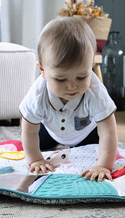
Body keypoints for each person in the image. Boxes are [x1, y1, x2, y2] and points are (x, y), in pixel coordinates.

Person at [19, 17, 118, 181]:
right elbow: (29, 129)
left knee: (97, 148)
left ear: (91, 66)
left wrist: (103, 165)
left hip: (87, 133)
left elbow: (108, 131)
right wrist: (35, 160)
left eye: (81, 77)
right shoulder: (38, 95)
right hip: (50, 130)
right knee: (30, 144)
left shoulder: (95, 91)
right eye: (61, 79)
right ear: (42, 70)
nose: (72, 86)